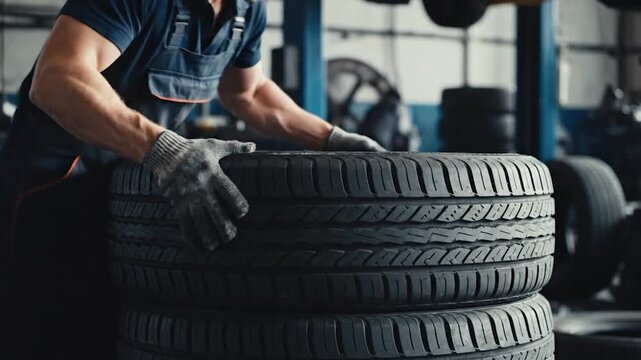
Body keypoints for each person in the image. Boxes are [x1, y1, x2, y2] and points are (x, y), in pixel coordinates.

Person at [0, 0, 384, 358]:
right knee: (46, 334)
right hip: (49, 195)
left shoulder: (246, 10)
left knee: (117, 332)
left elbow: (248, 93)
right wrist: (168, 150)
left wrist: (330, 138)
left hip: (133, 202)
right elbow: (57, 77)